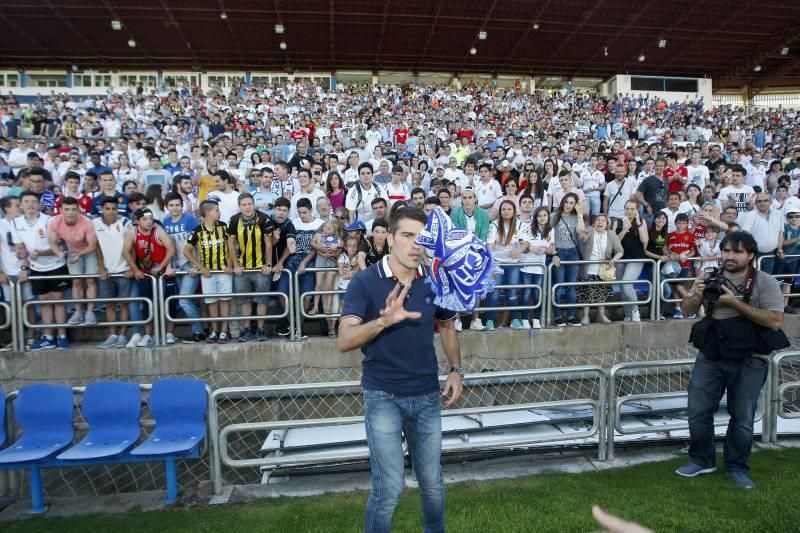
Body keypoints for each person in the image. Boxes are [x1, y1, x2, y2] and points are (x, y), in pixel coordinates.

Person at [337, 207, 463, 533]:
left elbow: (447, 326)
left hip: (427, 396)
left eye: (422, 239)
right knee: (389, 487)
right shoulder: (364, 283)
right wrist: (383, 320)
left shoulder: (434, 281)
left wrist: (456, 370)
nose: (415, 245)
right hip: (383, 397)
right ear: (389, 237)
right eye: (407, 236)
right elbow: (345, 339)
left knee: (432, 483)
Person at [677, 231, 784, 490]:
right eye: (726, 250)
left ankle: (736, 467)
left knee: (742, 416)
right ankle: (702, 459)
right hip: (712, 353)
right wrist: (697, 295)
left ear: (751, 256)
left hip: (749, 357)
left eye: (737, 252)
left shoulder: (765, 282)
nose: (730, 256)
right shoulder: (708, 277)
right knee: (698, 409)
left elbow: (775, 320)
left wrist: (735, 303)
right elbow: (686, 309)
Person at [13, 191, 70, 351]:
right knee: (44, 301)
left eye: (33, 201)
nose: (30, 204)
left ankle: (62, 336)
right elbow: (20, 248)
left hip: (56, 264)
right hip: (36, 267)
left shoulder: (49, 221)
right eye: (27, 201)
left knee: (58, 301)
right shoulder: (16, 223)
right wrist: (21, 255)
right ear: (21, 205)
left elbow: (59, 247)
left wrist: (40, 253)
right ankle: (48, 337)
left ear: (39, 204)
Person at [122, 207, 175, 347]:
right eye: (145, 219)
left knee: (167, 303)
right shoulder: (132, 232)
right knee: (147, 305)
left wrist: (161, 266)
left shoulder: (158, 231)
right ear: (137, 220)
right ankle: (148, 335)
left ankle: (169, 333)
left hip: (163, 273)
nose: (149, 221)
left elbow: (171, 249)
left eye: (151, 218)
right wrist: (135, 269)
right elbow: (126, 252)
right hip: (145, 273)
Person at [228, 192, 275, 342]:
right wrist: (235, 265)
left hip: (260, 267)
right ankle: (246, 330)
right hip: (242, 267)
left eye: (249, 204)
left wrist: (268, 264)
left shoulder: (264, 219)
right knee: (244, 300)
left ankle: (260, 329)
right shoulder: (234, 220)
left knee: (261, 299)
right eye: (244, 204)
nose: (247, 207)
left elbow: (268, 243)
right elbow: (230, 243)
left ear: (254, 204)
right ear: (239, 206)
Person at [185, 200, 234, 344]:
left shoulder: (224, 227)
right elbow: (186, 251)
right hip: (208, 273)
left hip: (224, 271)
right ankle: (215, 331)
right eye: (217, 210)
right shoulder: (197, 231)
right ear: (208, 213)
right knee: (211, 302)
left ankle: (225, 331)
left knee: (225, 300)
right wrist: (200, 267)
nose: (219, 213)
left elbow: (231, 246)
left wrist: (230, 264)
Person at [48, 196, 98, 326]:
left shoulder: (87, 222)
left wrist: (79, 254)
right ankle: (78, 311)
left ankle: (90, 312)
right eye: (67, 209)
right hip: (71, 251)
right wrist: (58, 252)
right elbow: (52, 242)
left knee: (91, 280)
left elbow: (92, 245)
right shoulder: (54, 221)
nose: (70, 212)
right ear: (60, 210)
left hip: (88, 251)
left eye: (73, 209)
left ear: (78, 210)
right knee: (76, 281)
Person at [162, 192, 203, 344]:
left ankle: (198, 332)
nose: (175, 208)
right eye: (171, 205)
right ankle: (200, 329)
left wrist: (195, 264)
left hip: (189, 264)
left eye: (177, 205)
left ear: (182, 205)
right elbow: (165, 248)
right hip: (176, 266)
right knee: (185, 300)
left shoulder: (189, 219)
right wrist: (169, 266)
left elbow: (197, 243)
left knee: (184, 300)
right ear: (166, 207)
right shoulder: (165, 222)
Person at [93, 197, 133, 349]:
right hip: (107, 272)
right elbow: (96, 246)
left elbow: (132, 247)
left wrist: (131, 268)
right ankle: (112, 335)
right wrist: (101, 267)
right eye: (108, 208)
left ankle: (122, 336)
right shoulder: (95, 223)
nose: (111, 211)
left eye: (114, 208)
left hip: (123, 271)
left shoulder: (125, 223)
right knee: (109, 305)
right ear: (102, 210)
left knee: (123, 305)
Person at [485, 199, 526, 330]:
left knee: (512, 293)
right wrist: (491, 266)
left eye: (509, 209)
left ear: (514, 211)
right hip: (497, 263)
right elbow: (490, 246)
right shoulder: (495, 225)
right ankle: (489, 321)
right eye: (503, 209)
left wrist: (518, 250)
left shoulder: (520, 224)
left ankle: (514, 319)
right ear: (500, 211)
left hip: (513, 264)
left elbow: (525, 242)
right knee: (494, 293)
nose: (506, 211)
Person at [577, 213, 623, 325]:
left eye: (603, 220)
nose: (600, 222)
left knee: (602, 294)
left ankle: (601, 316)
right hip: (588, 269)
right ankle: (585, 316)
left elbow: (619, 251)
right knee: (586, 294)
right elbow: (581, 235)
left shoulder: (611, 234)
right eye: (598, 220)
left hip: (603, 270)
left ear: (607, 224)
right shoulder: (590, 231)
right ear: (594, 223)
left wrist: (614, 259)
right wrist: (580, 217)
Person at [551, 193, 587, 326]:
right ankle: (558, 316)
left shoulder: (576, 217)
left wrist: (579, 213)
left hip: (572, 252)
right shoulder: (554, 216)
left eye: (572, 203)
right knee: (559, 286)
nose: (568, 205)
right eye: (566, 202)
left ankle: (571, 316)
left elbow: (581, 231)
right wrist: (554, 252)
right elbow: (547, 235)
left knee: (571, 286)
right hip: (559, 252)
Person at [519, 205, 554, 329]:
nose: (542, 218)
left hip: (540, 267)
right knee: (527, 293)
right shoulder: (527, 228)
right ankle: (524, 319)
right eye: (539, 216)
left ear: (548, 217)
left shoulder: (550, 230)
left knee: (538, 293)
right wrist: (531, 248)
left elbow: (551, 248)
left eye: (545, 215)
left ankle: (536, 319)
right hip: (527, 266)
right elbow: (524, 244)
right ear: (535, 217)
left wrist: (546, 250)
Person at [615, 200, 649, 322]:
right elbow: (615, 243)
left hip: (636, 258)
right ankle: (628, 314)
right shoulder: (618, 222)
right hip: (621, 258)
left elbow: (645, 240)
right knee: (622, 287)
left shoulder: (642, 221)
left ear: (637, 210)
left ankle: (635, 311)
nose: (629, 211)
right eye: (627, 209)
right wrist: (624, 230)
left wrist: (638, 223)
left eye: (632, 209)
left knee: (626, 283)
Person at [310, 219, 343, 336]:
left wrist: (335, 246)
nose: (325, 229)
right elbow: (314, 245)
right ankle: (315, 306)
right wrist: (324, 252)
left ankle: (328, 307)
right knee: (318, 285)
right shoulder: (319, 235)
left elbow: (341, 245)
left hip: (331, 263)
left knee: (329, 287)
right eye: (324, 227)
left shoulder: (336, 237)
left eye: (328, 228)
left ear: (333, 230)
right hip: (321, 262)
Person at [737, 192, 783, 275]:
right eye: (759, 201)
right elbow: (744, 234)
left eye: (765, 200)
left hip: (772, 254)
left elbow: (780, 233)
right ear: (755, 203)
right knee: (754, 279)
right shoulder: (751, 215)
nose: (762, 203)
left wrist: (780, 249)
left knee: (767, 279)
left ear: (771, 202)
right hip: (756, 255)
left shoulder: (778, 214)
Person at [665, 213, 696, 318]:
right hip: (673, 266)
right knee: (674, 287)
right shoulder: (671, 235)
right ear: (675, 223)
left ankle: (694, 305)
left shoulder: (690, 235)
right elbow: (668, 248)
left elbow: (692, 251)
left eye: (683, 223)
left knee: (679, 286)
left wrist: (687, 256)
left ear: (687, 224)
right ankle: (677, 310)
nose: (681, 225)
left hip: (684, 266)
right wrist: (672, 254)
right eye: (679, 223)